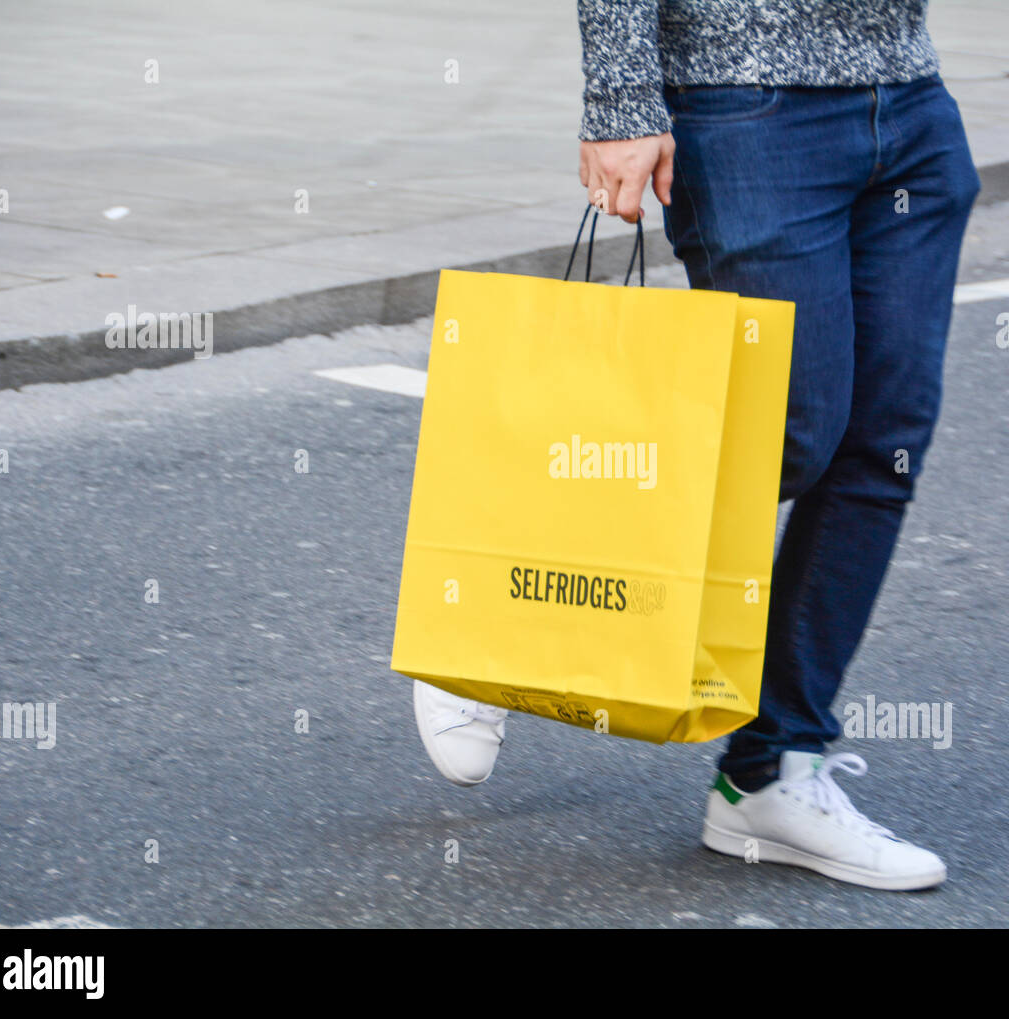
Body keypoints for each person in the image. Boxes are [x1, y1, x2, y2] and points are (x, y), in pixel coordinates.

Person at [413, 0, 980, 891]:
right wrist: (622, 101)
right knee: (789, 428)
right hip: (747, 98)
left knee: (884, 441)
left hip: (908, 93)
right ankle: (489, 618)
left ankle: (772, 773)